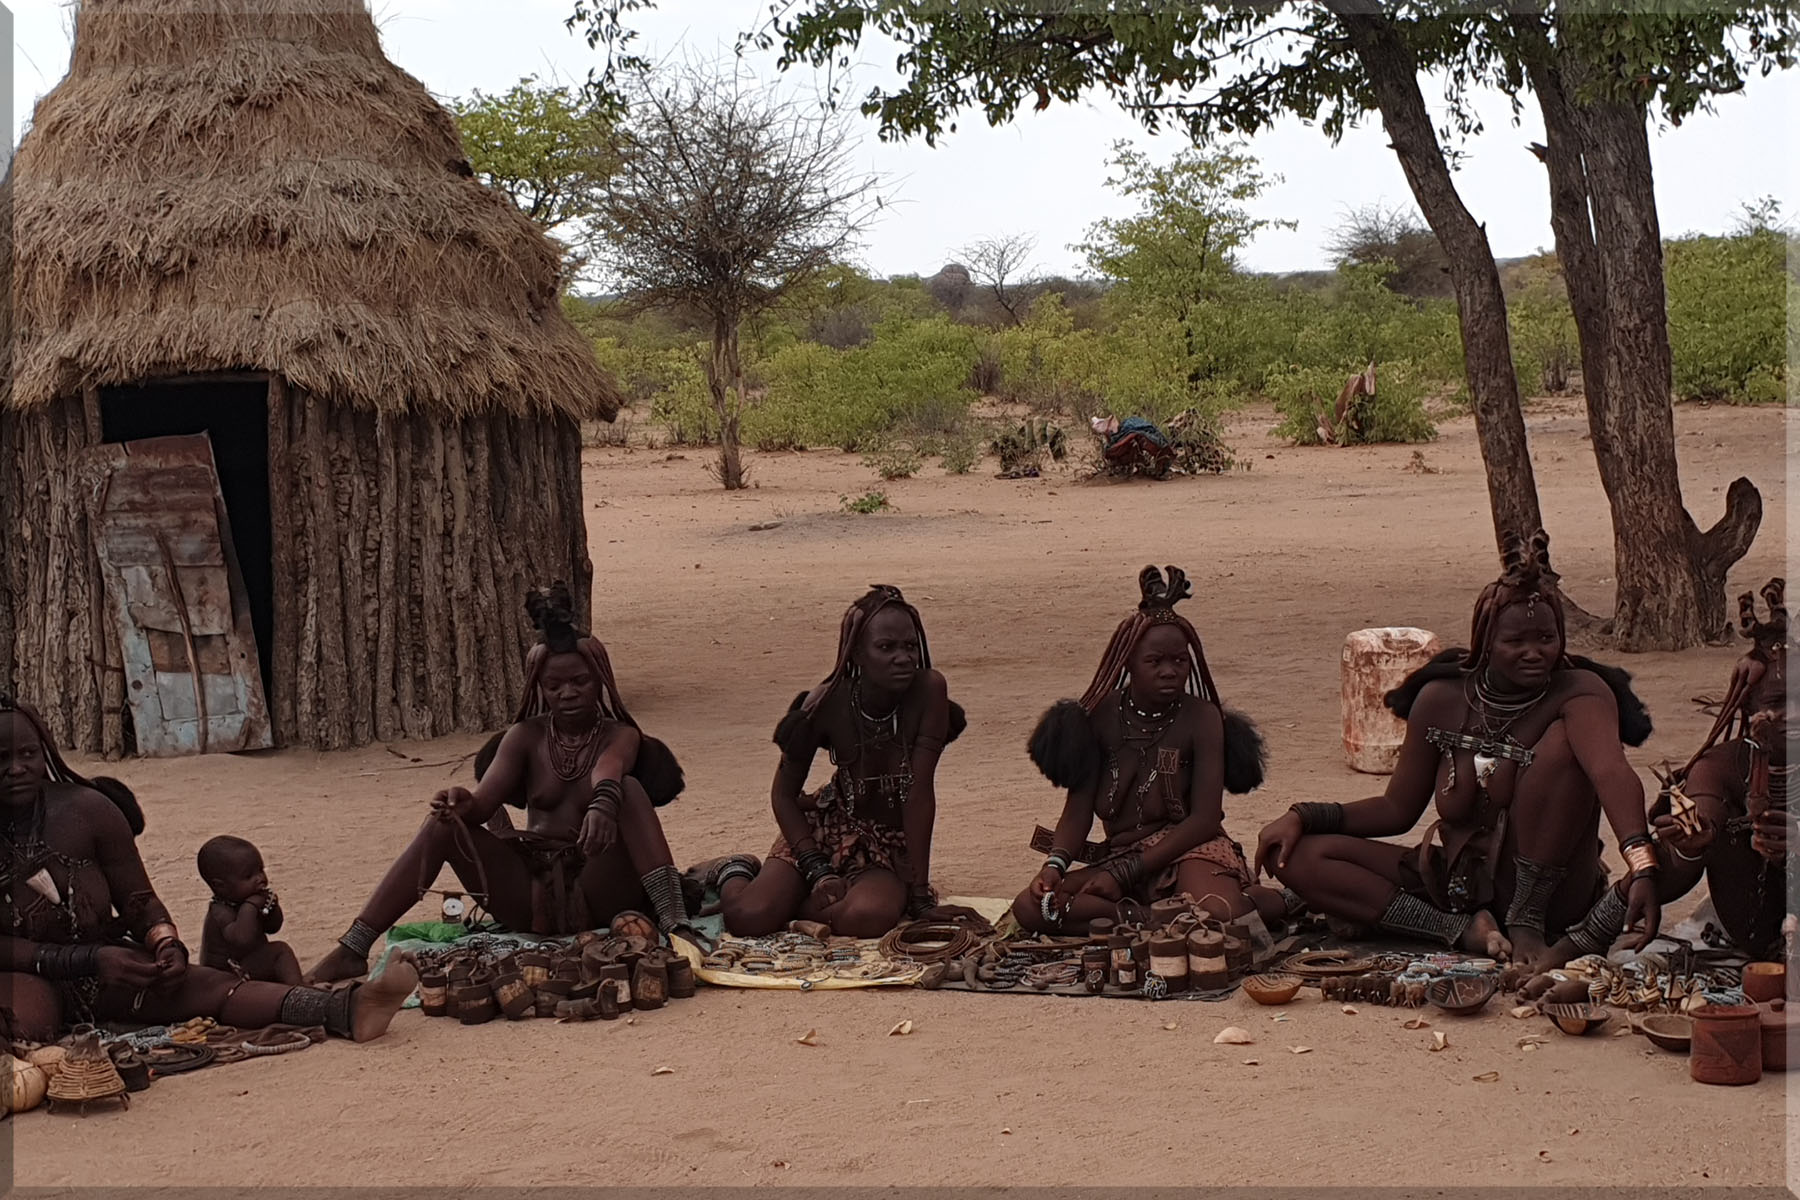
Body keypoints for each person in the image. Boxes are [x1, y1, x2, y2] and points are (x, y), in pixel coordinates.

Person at [1256, 531, 1661, 972]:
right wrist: (1303, 816)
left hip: (1555, 899)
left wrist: (1640, 861)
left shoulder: (1580, 693)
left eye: (1547, 638)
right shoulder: (1442, 698)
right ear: (1484, 642)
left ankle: (1524, 921)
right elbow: (1396, 810)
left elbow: (1610, 771)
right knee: (1295, 856)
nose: (1534, 653)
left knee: (1565, 745)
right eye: (1515, 642)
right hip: (1458, 884)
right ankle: (1457, 930)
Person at [307, 583, 688, 983]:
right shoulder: (524, 736)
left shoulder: (620, 734)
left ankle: (678, 926)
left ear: (600, 680)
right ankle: (354, 946)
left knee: (628, 791)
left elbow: (608, 769)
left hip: (602, 888)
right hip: (530, 897)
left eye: (580, 681)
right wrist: (460, 804)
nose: (568, 693)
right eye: (554, 686)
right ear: (539, 688)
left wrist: (604, 803)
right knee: (442, 825)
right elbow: (483, 805)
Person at [0, 694, 415, 1042]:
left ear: (43, 750)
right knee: (28, 1026)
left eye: (28, 754)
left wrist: (166, 945)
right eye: (1, 758)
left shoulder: (88, 810)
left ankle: (344, 1009)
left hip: (105, 966)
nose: (17, 768)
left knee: (214, 987)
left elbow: (139, 901)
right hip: (21, 973)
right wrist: (86, 959)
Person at [1009, 565, 1284, 934]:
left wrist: (1125, 874)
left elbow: (1205, 819)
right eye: (1154, 661)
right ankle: (1162, 917)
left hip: (1189, 850)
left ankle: (1259, 903)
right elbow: (1078, 809)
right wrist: (1054, 866)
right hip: (1121, 856)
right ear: (1129, 663)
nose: (1169, 671)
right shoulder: (1099, 717)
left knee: (1222, 913)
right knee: (1031, 907)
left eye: (1180, 661)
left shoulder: (1202, 718)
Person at [698, 585, 964, 938]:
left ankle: (802, 905)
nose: (903, 658)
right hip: (826, 829)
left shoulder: (929, 691)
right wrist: (816, 868)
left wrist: (919, 895)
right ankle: (734, 869)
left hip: (886, 845)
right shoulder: (824, 703)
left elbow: (919, 794)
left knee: (867, 917)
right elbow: (783, 795)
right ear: (857, 653)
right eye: (886, 647)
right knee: (748, 917)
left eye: (910, 646)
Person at [1554, 579, 1793, 962]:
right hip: (1756, 931)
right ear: (1748, 709)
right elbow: (1690, 841)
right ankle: (1576, 942)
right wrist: (1689, 845)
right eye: (1779, 701)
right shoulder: (1721, 767)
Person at [197, 835, 302, 985]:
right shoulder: (221, 911)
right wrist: (250, 906)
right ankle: (298, 991)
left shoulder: (247, 898)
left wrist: (271, 909)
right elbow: (243, 939)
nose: (260, 878)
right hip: (226, 978)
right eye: (248, 876)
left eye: (261, 870)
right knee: (280, 951)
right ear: (220, 886)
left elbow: (273, 928)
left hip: (248, 967)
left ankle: (293, 987)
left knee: (276, 956)